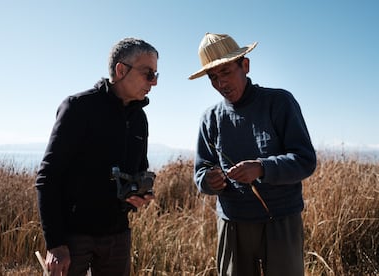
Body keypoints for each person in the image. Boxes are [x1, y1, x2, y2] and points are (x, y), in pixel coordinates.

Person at [189, 33, 317, 276]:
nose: (220, 84)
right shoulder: (210, 118)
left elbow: (305, 161)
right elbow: (201, 173)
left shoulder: (279, 102)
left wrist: (261, 168)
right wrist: (209, 180)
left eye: (225, 72)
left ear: (245, 65)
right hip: (232, 222)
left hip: (280, 221)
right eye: (213, 77)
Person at [35, 37, 159, 276]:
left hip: (118, 236)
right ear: (121, 70)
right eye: (148, 74)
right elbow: (47, 178)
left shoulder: (139, 119)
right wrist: (55, 244)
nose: (153, 83)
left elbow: (139, 167)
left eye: (156, 75)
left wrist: (138, 193)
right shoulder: (78, 107)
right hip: (73, 239)